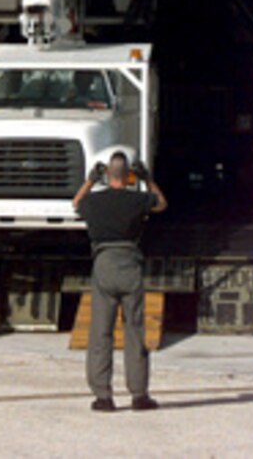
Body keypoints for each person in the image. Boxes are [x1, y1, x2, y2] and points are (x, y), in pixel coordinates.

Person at [72, 151, 167, 412]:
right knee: (134, 331)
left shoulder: (93, 201)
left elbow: (75, 202)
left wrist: (91, 180)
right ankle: (139, 396)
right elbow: (161, 203)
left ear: (106, 175)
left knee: (100, 332)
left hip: (104, 264)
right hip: (130, 265)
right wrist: (147, 179)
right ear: (128, 176)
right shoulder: (137, 199)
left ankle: (103, 397)